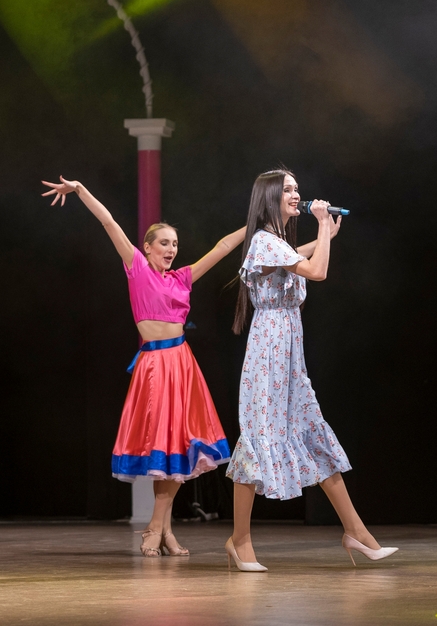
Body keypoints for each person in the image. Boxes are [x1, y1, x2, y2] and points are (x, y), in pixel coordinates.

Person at [42, 175, 244, 556]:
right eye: (164, 243)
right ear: (147, 247)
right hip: (155, 365)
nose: (171, 249)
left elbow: (222, 247)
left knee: (180, 449)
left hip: (182, 365)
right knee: (162, 448)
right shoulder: (137, 267)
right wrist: (81, 190)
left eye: (175, 244)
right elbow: (109, 223)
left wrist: (254, 221)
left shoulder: (183, 278)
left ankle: (160, 529)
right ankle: (159, 528)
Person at [225, 169, 397, 572]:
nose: (296, 194)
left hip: (289, 350)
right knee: (258, 437)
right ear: (270, 196)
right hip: (268, 350)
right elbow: (316, 271)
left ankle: (355, 530)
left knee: (312, 432)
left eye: (297, 189)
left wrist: (325, 237)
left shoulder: (276, 244)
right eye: (288, 189)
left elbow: (296, 258)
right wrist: (322, 226)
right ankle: (239, 540)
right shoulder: (264, 241)